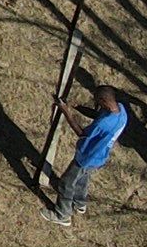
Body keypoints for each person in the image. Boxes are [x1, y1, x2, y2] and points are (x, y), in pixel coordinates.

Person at [50, 88, 129, 225]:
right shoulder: (121, 111)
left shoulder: (104, 123)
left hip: (87, 156)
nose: (95, 103)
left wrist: (66, 111)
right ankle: (80, 203)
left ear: (104, 101)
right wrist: (77, 107)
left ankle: (62, 215)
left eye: (97, 101)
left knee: (66, 182)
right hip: (99, 157)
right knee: (83, 178)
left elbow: (82, 133)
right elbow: (97, 114)